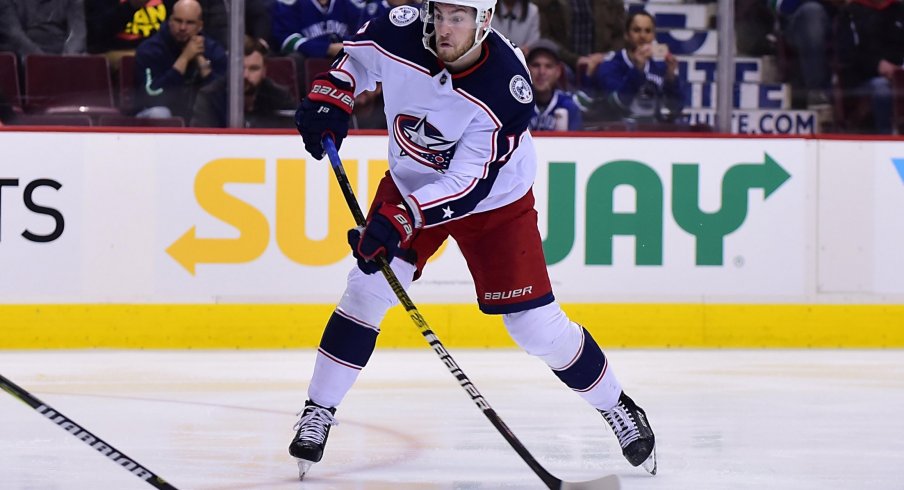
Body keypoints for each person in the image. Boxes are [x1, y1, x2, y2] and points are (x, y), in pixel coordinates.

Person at [287, 0, 657, 481]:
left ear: (484, 22)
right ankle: (319, 410)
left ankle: (616, 406)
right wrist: (331, 95)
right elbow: (357, 60)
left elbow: (468, 182)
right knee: (366, 289)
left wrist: (402, 218)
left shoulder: (506, 86)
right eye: (439, 13)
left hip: (494, 203)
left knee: (535, 328)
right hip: (411, 182)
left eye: (458, 17)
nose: (444, 27)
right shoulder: (400, 30)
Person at [133, 0, 226, 120]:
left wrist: (201, 62)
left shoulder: (213, 50)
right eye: (178, 21)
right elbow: (151, 96)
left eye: (190, 23)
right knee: (160, 113)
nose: (182, 27)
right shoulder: (150, 50)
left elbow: (222, 99)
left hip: (196, 115)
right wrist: (184, 59)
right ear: (170, 21)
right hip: (151, 116)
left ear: (200, 26)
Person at [588, 11, 684, 124]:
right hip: (618, 133)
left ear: (653, 36)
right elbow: (617, 104)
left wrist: (671, 78)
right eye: (637, 30)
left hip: (653, 133)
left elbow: (675, 109)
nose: (643, 36)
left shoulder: (660, 66)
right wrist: (637, 70)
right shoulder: (610, 64)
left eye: (648, 31)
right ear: (626, 35)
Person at [190, 36, 296, 128]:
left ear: (264, 70)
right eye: (240, 68)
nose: (245, 75)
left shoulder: (280, 98)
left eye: (253, 69)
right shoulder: (210, 97)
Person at [834, 0, 904, 134]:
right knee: (881, 89)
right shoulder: (850, 14)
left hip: (899, 75)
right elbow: (847, 56)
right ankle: (888, 141)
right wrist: (877, 65)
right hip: (863, 79)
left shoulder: (899, 10)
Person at [770, 0, 842, 110]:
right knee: (812, 12)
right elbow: (778, 6)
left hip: (844, 18)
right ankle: (817, 90)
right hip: (798, 23)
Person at [533, 0, 625, 78]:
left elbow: (621, 35)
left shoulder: (613, 2)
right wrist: (575, 60)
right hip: (561, 61)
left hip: (602, 61)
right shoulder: (547, 3)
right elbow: (545, 36)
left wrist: (604, 56)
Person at [527, 39, 583, 131]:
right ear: (527, 69)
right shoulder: (516, 105)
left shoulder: (569, 106)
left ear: (558, 71)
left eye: (548, 66)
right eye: (536, 65)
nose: (541, 72)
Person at [0, 0, 86, 57]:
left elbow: (78, 33)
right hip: (25, 54)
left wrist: (67, 57)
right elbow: (14, 35)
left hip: (62, 53)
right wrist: (41, 60)